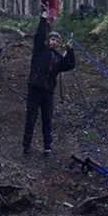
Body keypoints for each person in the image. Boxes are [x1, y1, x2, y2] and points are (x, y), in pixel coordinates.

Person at [22, 9, 75, 163]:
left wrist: (70, 50)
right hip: (35, 90)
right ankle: (26, 149)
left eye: (57, 41)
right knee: (31, 119)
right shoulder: (39, 50)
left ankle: (47, 150)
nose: (55, 42)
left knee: (47, 121)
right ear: (47, 40)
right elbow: (38, 35)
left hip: (48, 93)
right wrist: (43, 19)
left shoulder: (58, 58)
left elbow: (70, 65)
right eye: (52, 39)